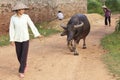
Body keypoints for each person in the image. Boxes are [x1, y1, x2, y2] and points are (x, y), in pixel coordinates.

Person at [9, 1, 42, 78]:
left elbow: (32, 25)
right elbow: (11, 29)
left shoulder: (26, 17)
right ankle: (24, 65)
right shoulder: (13, 18)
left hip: (25, 38)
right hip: (17, 39)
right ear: (18, 10)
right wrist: (12, 39)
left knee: (24, 55)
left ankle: (21, 71)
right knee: (19, 55)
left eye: (24, 9)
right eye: (22, 9)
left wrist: (37, 34)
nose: (23, 11)